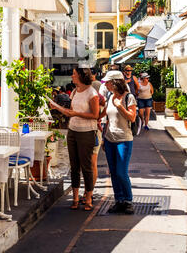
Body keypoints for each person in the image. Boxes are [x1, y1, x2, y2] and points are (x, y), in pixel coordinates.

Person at [49, 67, 99, 211]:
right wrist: (57, 108)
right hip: (73, 131)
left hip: (87, 132)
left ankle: (88, 197)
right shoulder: (75, 92)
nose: (72, 76)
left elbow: (95, 115)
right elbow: (71, 112)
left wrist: (77, 113)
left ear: (81, 76)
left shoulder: (92, 93)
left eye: (74, 74)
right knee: (74, 165)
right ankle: (76, 197)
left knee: (86, 166)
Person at [101, 70, 137, 215]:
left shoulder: (129, 97)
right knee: (114, 173)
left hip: (124, 139)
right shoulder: (109, 96)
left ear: (115, 82)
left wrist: (119, 106)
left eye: (108, 82)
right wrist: (104, 137)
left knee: (121, 172)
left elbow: (132, 118)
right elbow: (106, 117)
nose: (106, 85)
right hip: (110, 139)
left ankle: (128, 201)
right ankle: (119, 200)